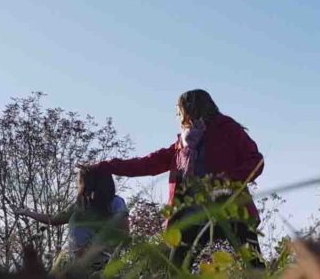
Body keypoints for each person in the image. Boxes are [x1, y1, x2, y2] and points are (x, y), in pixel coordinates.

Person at [84, 89, 265, 268]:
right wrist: (104, 166)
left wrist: (226, 180)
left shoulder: (228, 129)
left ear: (191, 108)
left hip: (231, 210)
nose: (179, 114)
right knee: (176, 268)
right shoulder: (182, 145)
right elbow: (146, 164)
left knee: (255, 265)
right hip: (194, 215)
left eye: (181, 109)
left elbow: (255, 160)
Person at [15, 169, 129, 274]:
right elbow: (54, 219)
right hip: (76, 264)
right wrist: (27, 212)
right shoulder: (80, 205)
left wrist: (90, 248)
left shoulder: (115, 202)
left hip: (101, 264)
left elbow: (123, 231)